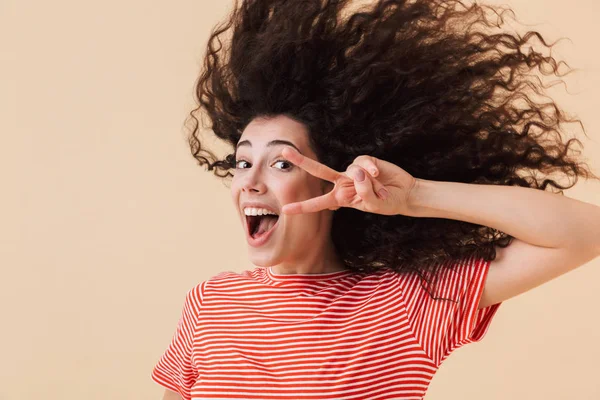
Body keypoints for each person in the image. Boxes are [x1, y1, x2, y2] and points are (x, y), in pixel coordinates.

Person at [151, 0, 600, 399]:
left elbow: (585, 233)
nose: (250, 182)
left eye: (282, 164)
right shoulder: (209, 303)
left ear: (331, 184)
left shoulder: (407, 302)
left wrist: (416, 196)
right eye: (243, 162)